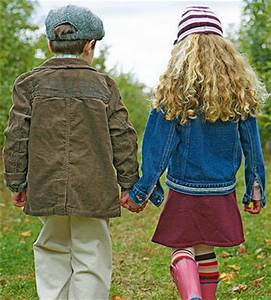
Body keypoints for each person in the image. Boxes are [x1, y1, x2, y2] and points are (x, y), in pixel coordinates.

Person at [121, 6, 267, 300]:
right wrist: (255, 187)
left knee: (183, 248)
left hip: (185, 187)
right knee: (205, 248)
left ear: (181, 49)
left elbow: (157, 147)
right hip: (221, 187)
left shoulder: (173, 91)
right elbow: (252, 145)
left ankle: (192, 296)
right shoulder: (239, 92)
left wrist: (143, 190)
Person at [2, 5, 139, 300]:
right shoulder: (105, 85)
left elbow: (16, 135)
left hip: (45, 184)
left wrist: (16, 181)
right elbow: (122, 136)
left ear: (50, 43)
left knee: (51, 246)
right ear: (90, 46)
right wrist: (129, 183)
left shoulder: (29, 83)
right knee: (92, 252)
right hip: (94, 188)